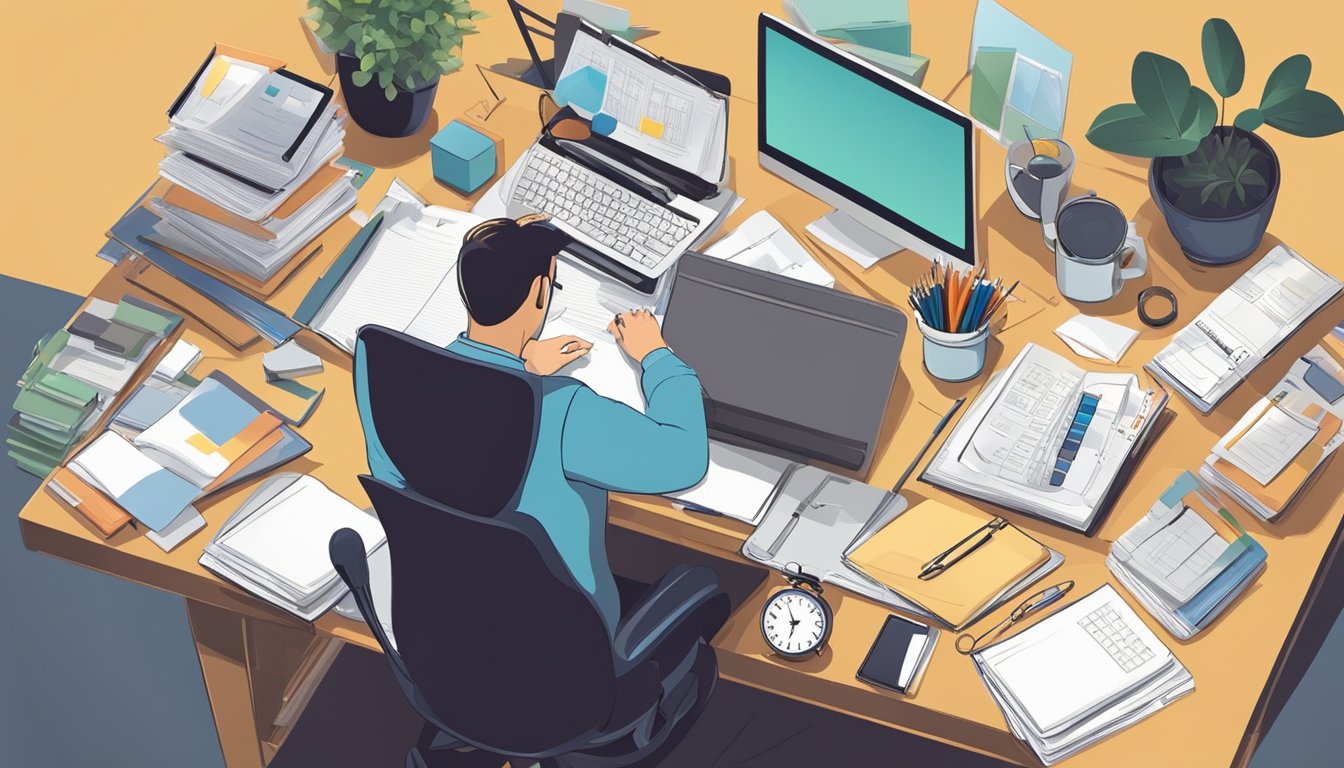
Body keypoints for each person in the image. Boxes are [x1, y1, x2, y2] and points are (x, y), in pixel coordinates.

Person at [353, 215, 710, 635]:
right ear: (541, 292)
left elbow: (442, 457)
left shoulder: (386, 372)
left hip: (447, 620)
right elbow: (684, 459)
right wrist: (656, 355)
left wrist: (521, 368)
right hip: (559, 641)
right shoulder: (560, 409)